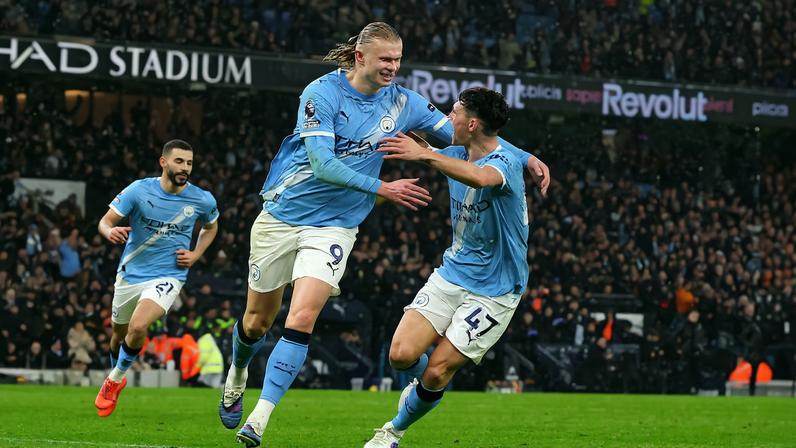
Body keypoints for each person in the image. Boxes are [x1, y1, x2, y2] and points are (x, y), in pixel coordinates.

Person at [221, 22, 549, 447]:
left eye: (398, 59)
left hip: (338, 226)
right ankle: (237, 372)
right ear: (360, 57)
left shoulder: (405, 102)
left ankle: (260, 420)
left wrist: (524, 156)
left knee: (302, 317)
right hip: (284, 216)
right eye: (386, 60)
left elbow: (475, 139)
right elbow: (322, 165)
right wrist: (385, 187)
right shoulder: (321, 94)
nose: (394, 67)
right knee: (256, 322)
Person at [363, 87, 534, 447]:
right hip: (453, 273)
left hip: (496, 290)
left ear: (472, 123)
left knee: (439, 369)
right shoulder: (457, 150)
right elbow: (426, 147)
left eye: (454, 111)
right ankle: (424, 391)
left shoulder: (504, 164)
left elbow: (479, 177)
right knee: (401, 354)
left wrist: (425, 155)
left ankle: (392, 430)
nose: (448, 117)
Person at [94, 139, 219, 417]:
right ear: (163, 162)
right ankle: (118, 372)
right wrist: (109, 232)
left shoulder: (202, 198)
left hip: (169, 275)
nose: (185, 167)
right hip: (131, 273)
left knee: (138, 327)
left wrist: (197, 254)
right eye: (179, 161)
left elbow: (211, 227)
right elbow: (105, 221)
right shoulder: (138, 190)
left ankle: (113, 380)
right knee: (118, 335)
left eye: (189, 163)